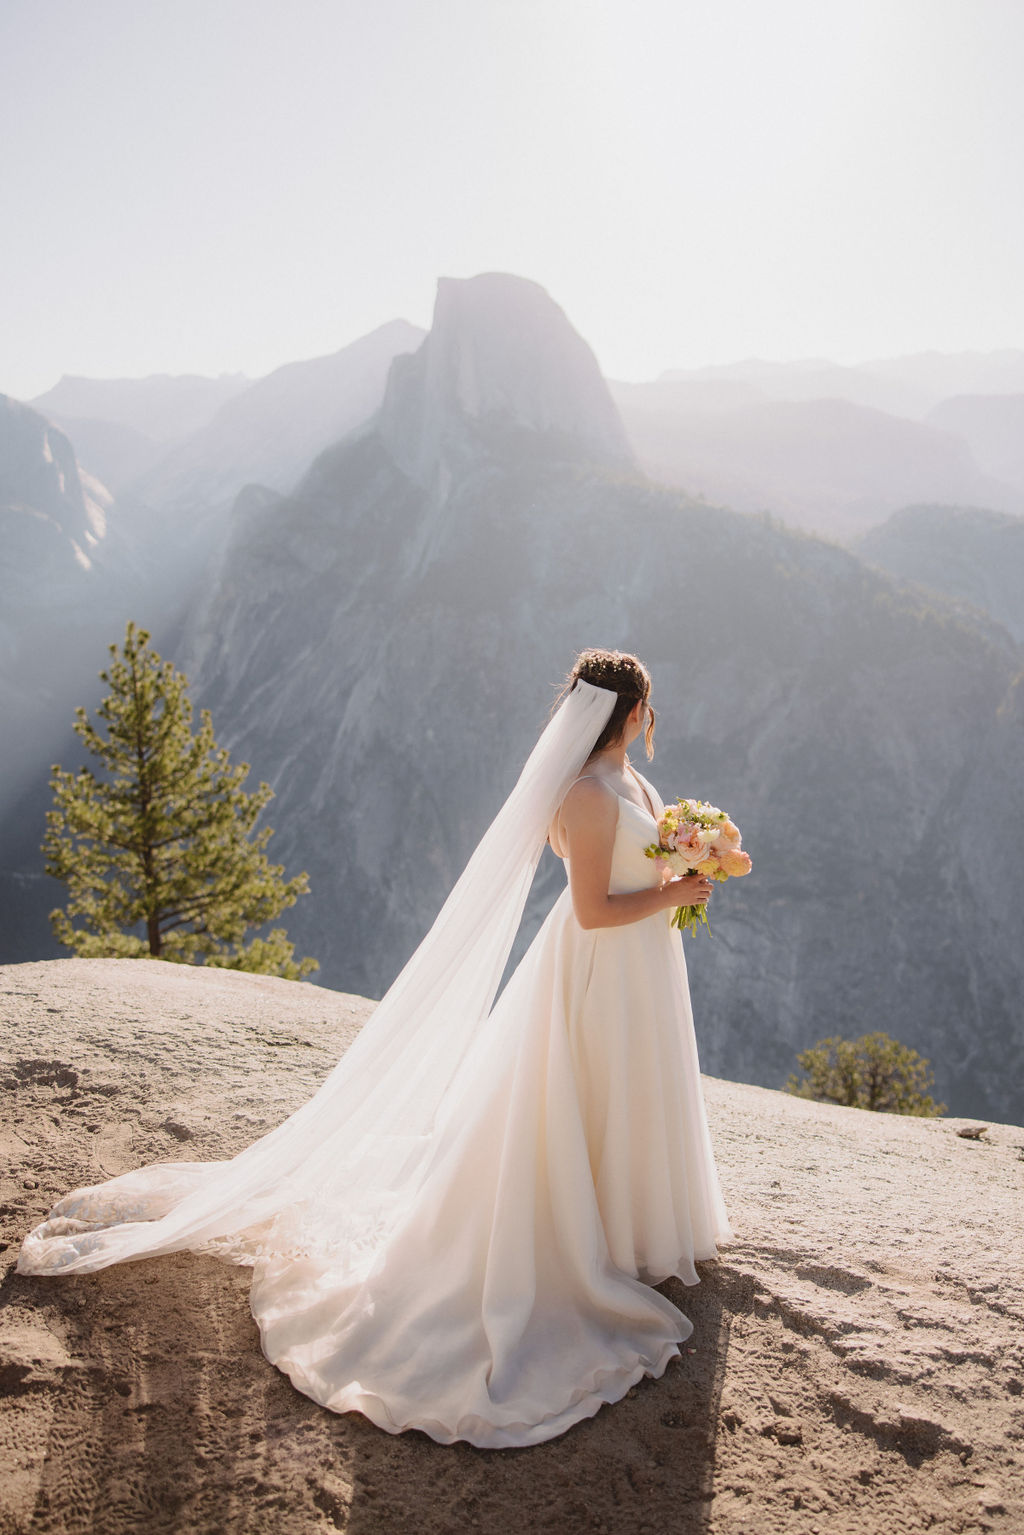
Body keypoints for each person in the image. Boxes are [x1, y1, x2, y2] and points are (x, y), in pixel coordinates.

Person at [18, 648, 734, 1448]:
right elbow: (596, 909)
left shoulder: (629, 783)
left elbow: (635, 874)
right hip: (601, 968)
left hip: (640, 968)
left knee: (625, 1093)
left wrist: (682, 858)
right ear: (631, 712)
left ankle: (623, 1223)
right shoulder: (591, 796)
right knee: (585, 1095)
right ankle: (585, 1240)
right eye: (647, 708)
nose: (649, 720)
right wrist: (676, 889)